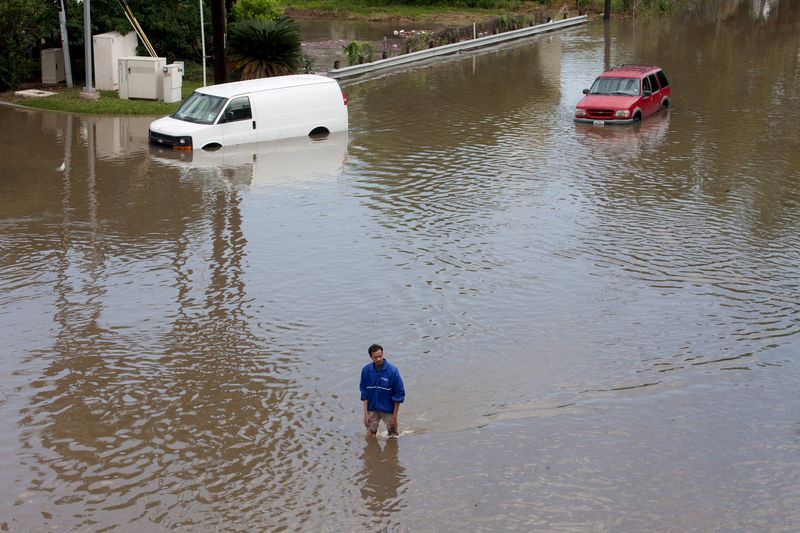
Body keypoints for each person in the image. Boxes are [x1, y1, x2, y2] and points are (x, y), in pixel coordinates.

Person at [360, 344, 405, 437]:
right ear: (371, 357)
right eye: (375, 357)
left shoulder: (392, 371)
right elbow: (364, 393)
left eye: (380, 356)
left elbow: (399, 394)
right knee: (370, 434)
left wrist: (394, 417)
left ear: (383, 354)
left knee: (393, 435)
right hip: (372, 408)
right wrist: (366, 414)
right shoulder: (366, 371)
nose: (379, 359)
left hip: (388, 409)